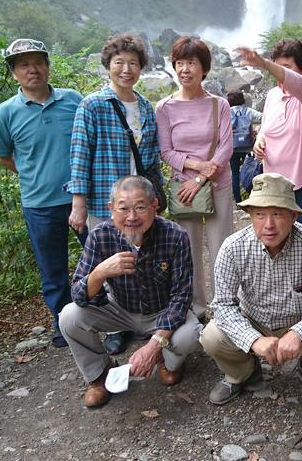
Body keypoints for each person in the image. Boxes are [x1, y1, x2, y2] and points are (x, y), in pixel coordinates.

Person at [200, 173, 302, 405]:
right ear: (250, 215)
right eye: (260, 214)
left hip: (300, 318)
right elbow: (222, 305)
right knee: (211, 336)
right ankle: (243, 372)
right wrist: (252, 339)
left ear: (293, 216)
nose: (268, 224)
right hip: (254, 319)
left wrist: (299, 333)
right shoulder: (233, 248)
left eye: (278, 214)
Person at [58, 176, 201, 408]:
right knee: (69, 316)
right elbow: (78, 295)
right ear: (111, 209)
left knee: (190, 333)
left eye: (140, 207)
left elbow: (181, 297)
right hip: (119, 308)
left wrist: (154, 346)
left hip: (161, 311)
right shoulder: (100, 235)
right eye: (123, 208)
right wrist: (100, 273)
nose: (132, 217)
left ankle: (167, 361)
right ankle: (99, 375)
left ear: (154, 207)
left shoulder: (175, 235)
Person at [67, 33, 164, 355]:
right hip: (105, 202)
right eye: (119, 62)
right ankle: (114, 326)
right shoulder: (92, 105)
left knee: (141, 258)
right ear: (107, 66)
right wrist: (78, 204)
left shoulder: (146, 107)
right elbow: (80, 155)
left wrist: (156, 197)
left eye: (133, 63)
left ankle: (143, 316)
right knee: (108, 261)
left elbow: (150, 158)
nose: (126, 69)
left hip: (140, 201)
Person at [0, 38, 82, 348]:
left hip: (82, 198)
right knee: (53, 270)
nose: (33, 70)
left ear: (47, 66)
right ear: (14, 72)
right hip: (40, 204)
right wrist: (34, 174)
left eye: (38, 62)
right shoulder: (4, 114)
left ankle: (110, 319)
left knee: (101, 261)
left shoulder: (73, 100)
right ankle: (63, 325)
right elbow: (4, 156)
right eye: (24, 65)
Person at [156, 36, 233, 318]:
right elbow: (166, 150)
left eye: (192, 63)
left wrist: (201, 177)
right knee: (188, 251)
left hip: (217, 184)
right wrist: (196, 168)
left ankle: (225, 307)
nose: (185, 69)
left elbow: (226, 146)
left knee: (222, 249)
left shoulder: (219, 105)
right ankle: (197, 308)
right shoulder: (164, 108)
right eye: (179, 63)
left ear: (204, 68)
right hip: (183, 189)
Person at [239, 40, 302, 238]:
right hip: (274, 187)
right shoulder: (272, 95)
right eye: (277, 67)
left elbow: (293, 81)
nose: (279, 74)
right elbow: (265, 127)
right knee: (279, 243)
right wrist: (259, 141)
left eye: (287, 67)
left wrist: (264, 64)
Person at [228, 89, 262, 202]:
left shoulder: (226, 112)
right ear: (242, 99)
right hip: (248, 146)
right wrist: (258, 130)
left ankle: (238, 201)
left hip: (233, 147)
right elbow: (263, 117)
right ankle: (253, 197)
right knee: (252, 170)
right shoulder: (248, 111)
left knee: (235, 174)